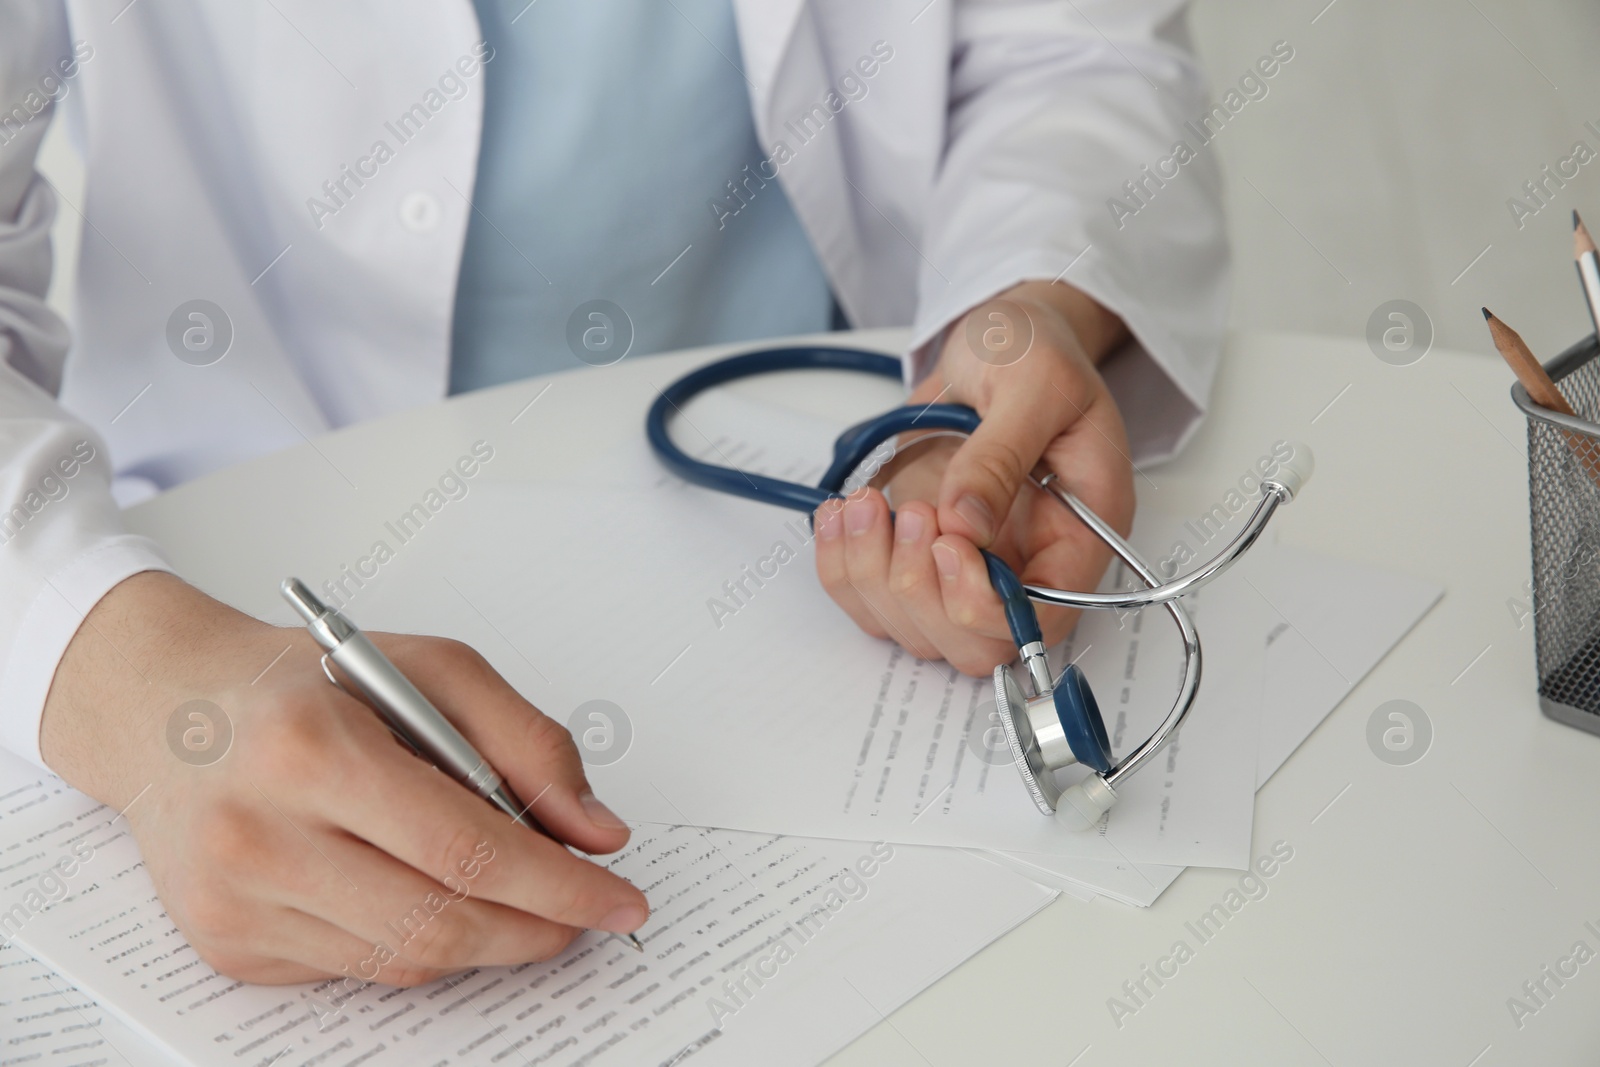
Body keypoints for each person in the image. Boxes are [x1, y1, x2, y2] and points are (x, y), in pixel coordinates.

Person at [0, 0, 1225, 986]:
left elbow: (1068, 51)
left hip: (790, 518)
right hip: (226, 533)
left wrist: (1015, 309)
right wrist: (110, 662)